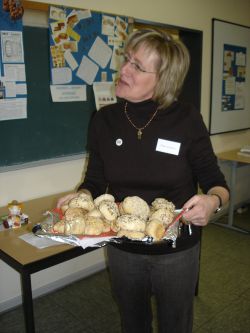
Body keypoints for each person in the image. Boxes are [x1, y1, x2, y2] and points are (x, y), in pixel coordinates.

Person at [57, 29, 229, 333]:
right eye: (126, 59)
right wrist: (81, 196)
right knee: (132, 321)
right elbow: (95, 180)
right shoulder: (104, 120)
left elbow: (217, 183)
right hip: (124, 247)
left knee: (175, 323)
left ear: (162, 79)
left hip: (176, 250)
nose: (123, 70)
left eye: (137, 66)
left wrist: (212, 202)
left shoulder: (187, 120)